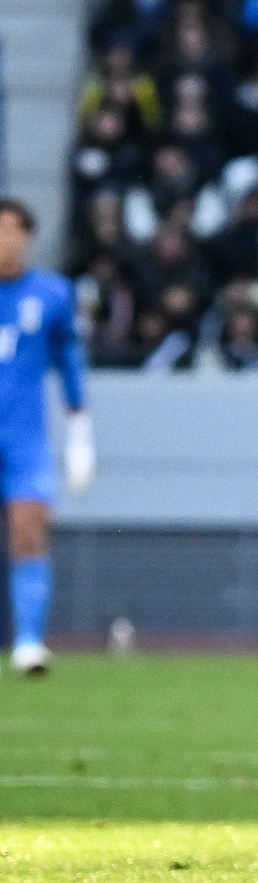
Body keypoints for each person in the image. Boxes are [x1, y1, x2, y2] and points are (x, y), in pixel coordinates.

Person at [0, 199, 93, 676]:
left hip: (23, 436)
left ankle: (29, 643)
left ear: (27, 237)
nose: (4, 241)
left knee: (29, 528)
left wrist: (79, 430)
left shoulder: (53, 295)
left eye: (11, 231)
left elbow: (69, 361)